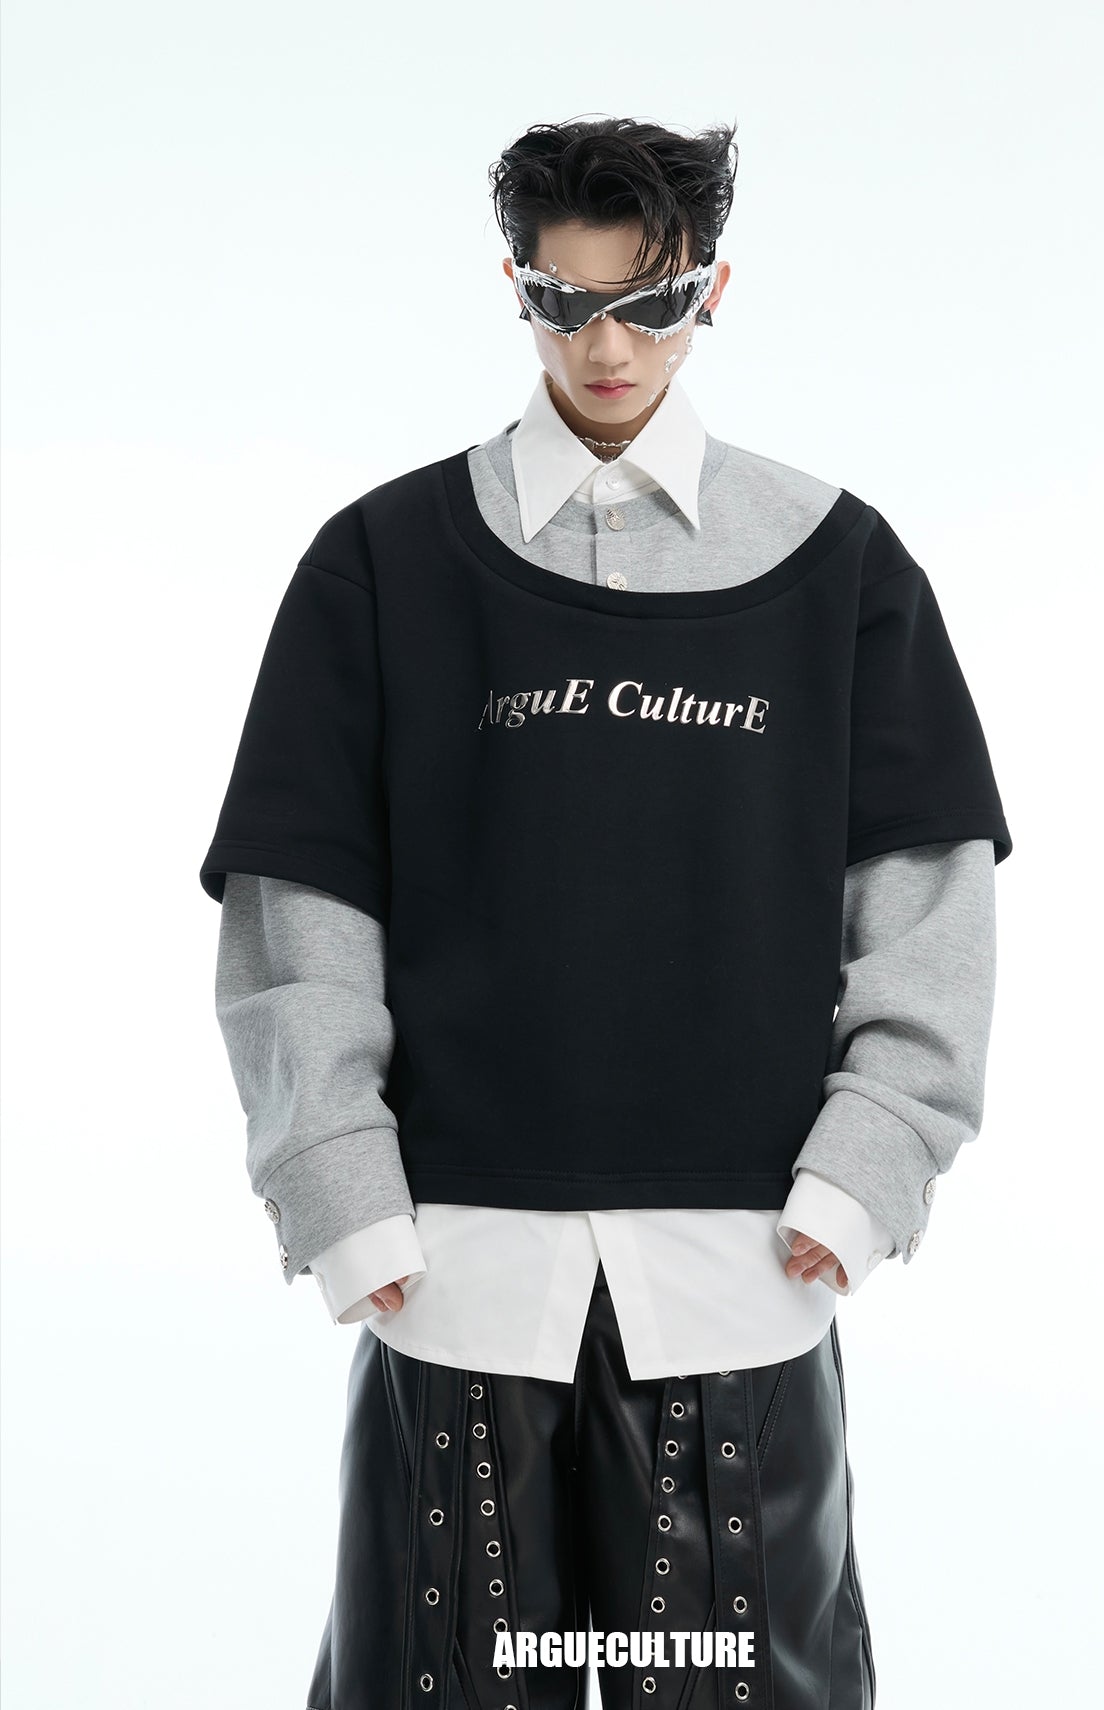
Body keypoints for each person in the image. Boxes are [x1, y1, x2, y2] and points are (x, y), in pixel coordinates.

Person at [200, 115, 1012, 1709]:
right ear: (514, 288)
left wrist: (867, 1167)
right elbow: (301, 901)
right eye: (563, 304)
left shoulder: (838, 566)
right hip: (450, 1278)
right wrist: (338, 1184)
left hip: (742, 1276)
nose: (606, 346)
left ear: (713, 291)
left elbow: (926, 903)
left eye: (649, 302)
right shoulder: (382, 564)